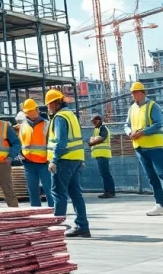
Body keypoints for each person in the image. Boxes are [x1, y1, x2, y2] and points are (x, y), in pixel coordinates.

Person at [129, 81, 163, 217]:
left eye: (136, 93)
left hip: (154, 146)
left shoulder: (153, 106)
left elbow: (158, 124)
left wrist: (142, 132)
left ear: (142, 92)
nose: (134, 96)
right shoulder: (132, 108)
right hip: (139, 147)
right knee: (151, 177)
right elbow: (126, 124)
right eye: (132, 93)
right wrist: (129, 132)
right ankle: (160, 204)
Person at [46, 89, 90, 238]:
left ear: (55, 103)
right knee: (75, 194)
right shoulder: (71, 115)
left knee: (58, 193)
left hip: (63, 161)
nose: (48, 108)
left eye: (49, 105)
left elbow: (61, 141)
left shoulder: (59, 117)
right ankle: (82, 226)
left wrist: (54, 160)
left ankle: (57, 227)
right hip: (75, 160)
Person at [17, 99, 52, 208]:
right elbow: (19, 142)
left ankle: (54, 210)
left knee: (49, 189)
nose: (29, 114)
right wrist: (20, 156)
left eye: (31, 111)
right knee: (32, 190)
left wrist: (51, 160)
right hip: (28, 163)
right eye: (27, 112)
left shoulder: (47, 124)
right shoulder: (23, 126)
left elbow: (51, 143)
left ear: (37, 110)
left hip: (44, 163)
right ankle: (36, 212)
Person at [88, 114, 116, 198]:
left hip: (103, 154)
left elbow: (102, 138)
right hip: (100, 155)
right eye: (92, 122)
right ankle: (108, 191)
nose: (94, 123)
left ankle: (110, 192)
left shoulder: (103, 128)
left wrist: (92, 143)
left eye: (95, 121)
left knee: (105, 173)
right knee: (104, 173)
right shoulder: (96, 129)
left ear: (100, 120)